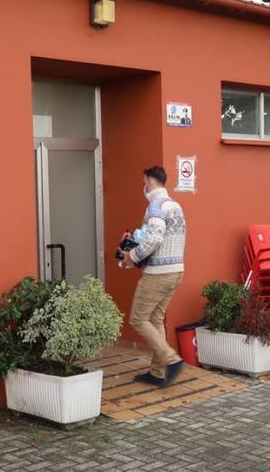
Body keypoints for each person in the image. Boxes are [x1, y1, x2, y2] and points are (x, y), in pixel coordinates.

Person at [119, 165, 186, 386]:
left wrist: (132, 257)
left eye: (144, 182)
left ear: (148, 181)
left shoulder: (156, 206)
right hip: (176, 271)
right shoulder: (175, 206)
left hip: (159, 273)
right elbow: (161, 239)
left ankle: (171, 360)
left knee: (138, 319)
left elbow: (154, 239)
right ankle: (157, 373)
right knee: (156, 319)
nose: (143, 186)